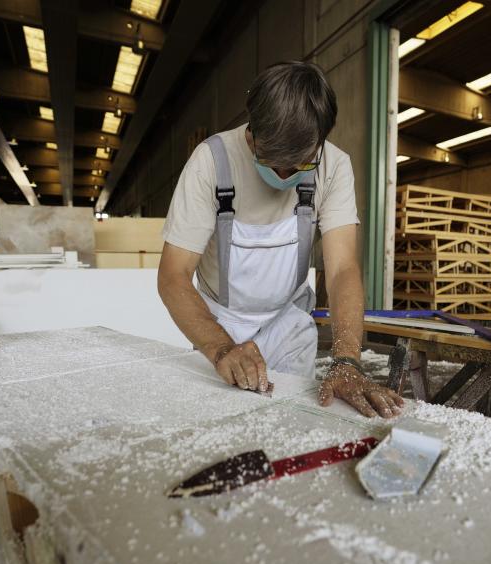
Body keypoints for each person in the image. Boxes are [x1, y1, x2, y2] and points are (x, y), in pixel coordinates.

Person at [157, 61, 402, 419]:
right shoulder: (211, 162)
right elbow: (173, 276)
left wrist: (347, 359)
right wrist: (221, 348)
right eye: (273, 163)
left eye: (300, 165)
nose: (284, 177)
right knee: (219, 425)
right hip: (219, 323)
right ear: (253, 134)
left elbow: (342, 269)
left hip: (287, 323)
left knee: (294, 422)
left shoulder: (332, 166)